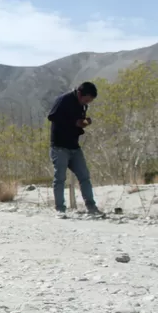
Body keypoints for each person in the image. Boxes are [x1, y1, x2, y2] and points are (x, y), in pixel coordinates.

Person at [47, 81, 103, 218]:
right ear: (79, 93)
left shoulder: (82, 106)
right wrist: (74, 122)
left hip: (74, 146)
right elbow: (52, 116)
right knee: (60, 178)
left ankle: (91, 206)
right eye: (86, 99)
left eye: (90, 101)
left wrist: (84, 123)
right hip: (59, 146)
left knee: (84, 177)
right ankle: (60, 209)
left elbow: (79, 123)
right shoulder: (64, 100)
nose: (87, 103)